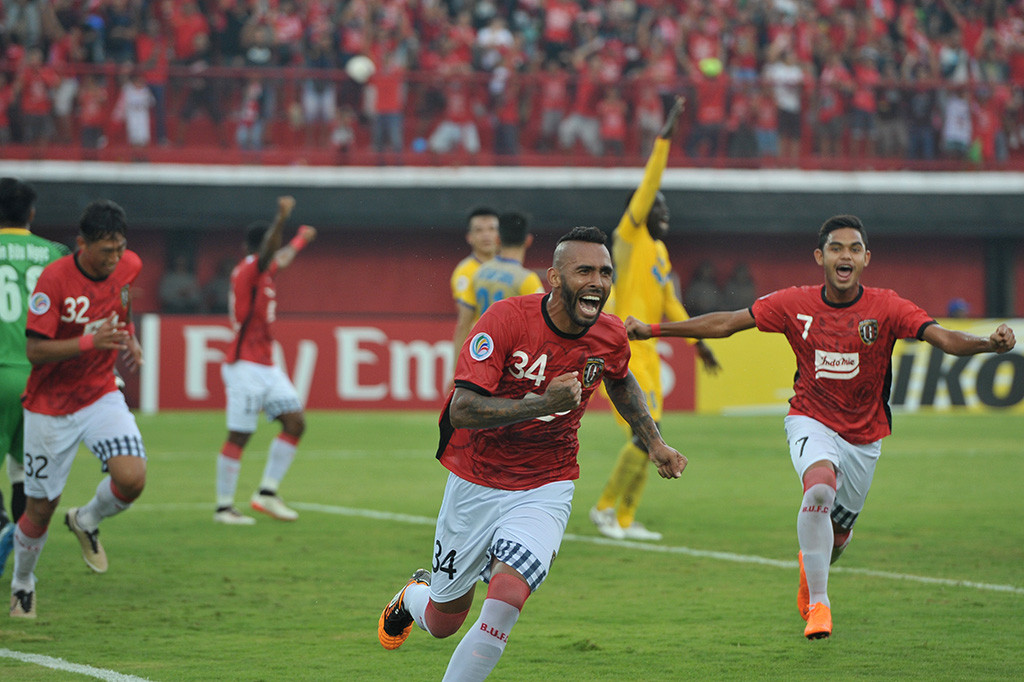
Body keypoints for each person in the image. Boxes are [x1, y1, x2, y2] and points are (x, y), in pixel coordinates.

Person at [625, 214, 1016, 640]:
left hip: (865, 437)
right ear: (820, 257)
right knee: (819, 489)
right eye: (835, 248)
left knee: (838, 537)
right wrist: (652, 330)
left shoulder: (887, 307)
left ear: (866, 258)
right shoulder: (795, 303)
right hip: (810, 419)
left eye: (853, 249)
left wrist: (987, 344)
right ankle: (820, 605)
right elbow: (727, 322)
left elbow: (944, 339)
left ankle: (811, 568)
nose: (844, 256)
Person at [377, 226, 688, 680]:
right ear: (555, 278)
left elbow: (620, 380)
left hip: (547, 485)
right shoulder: (505, 320)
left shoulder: (609, 333)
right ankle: (413, 596)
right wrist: (542, 403)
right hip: (477, 481)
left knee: (506, 600)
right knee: (444, 621)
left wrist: (654, 441)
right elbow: (462, 410)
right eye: (585, 271)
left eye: (605, 272)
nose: (598, 282)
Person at [589, 97, 720, 542]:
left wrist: (698, 344)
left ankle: (625, 519)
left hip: (648, 356)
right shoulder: (627, 239)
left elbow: (672, 305)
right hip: (622, 351)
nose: (666, 215)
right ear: (644, 211)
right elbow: (649, 184)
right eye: (659, 209)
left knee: (653, 437)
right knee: (644, 436)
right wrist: (665, 138)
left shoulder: (660, 253)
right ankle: (605, 509)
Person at [11, 198, 148, 618]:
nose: (114, 258)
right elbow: (35, 351)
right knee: (40, 508)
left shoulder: (128, 265)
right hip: (50, 405)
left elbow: (121, 300)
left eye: (120, 247)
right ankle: (23, 584)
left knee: (132, 478)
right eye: (106, 250)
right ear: (81, 244)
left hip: (100, 393)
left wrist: (129, 335)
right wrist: (91, 342)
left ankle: (86, 520)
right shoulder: (54, 280)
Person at [214, 196, 317, 525]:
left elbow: (282, 257)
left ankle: (267, 493)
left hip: (266, 365)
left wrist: (300, 239)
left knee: (295, 422)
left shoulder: (265, 270)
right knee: (240, 434)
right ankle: (224, 507)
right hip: (243, 365)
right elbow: (274, 250)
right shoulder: (250, 268)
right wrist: (281, 219)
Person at [0, 178, 71, 577]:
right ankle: (22, 566)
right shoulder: (56, 254)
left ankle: (0, 526)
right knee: (27, 474)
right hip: (41, 378)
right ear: (31, 213)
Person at [450, 206, 500, 379]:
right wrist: (456, 370)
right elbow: (464, 322)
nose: (486, 235)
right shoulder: (465, 272)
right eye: (479, 230)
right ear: (469, 237)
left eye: (491, 229)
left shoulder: (508, 267)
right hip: (481, 349)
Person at [467, 211, 545, 321]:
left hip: (484, 331)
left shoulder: (480, 271)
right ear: (528, 240)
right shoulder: (526, 279)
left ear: (497, 239)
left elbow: (467, 318)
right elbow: (542, 320)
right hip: (509, 333)